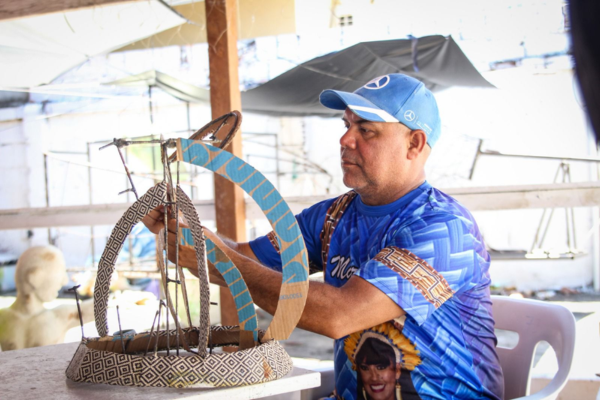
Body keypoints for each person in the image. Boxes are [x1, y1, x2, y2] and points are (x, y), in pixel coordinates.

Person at [143, 73, 504, 399]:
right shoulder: (333, 216)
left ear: (414, 143)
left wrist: (218, 258)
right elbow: (246, 260)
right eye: (347, 125)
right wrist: (188, 234)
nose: (345, 139)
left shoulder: (443, 228)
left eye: (366, 129)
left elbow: (340, 315)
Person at [0, 246, 94, 351]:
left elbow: (99, 306)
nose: (65, 281)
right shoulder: (57, 317)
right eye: (60, 271)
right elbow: (100, 306)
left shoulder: (3, 318)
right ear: (35, 278)